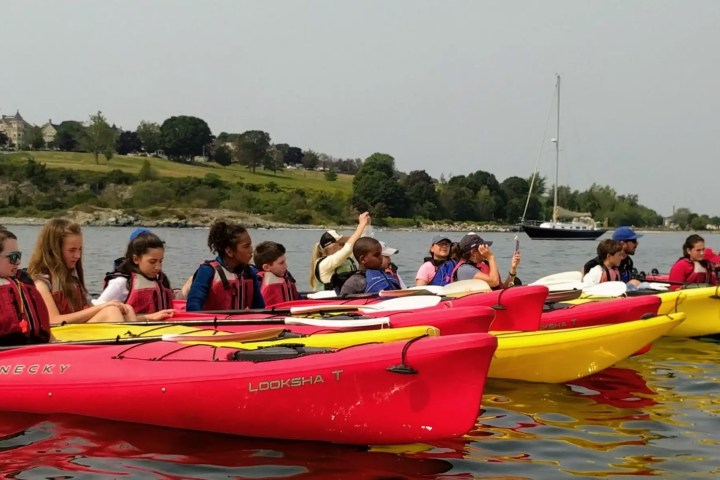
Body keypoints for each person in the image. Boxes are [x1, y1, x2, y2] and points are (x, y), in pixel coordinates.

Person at [28, 218, 136, 325]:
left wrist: (112, 305)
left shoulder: (72, 280)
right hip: (60, 335)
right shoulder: (41, 283)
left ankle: (135, 339)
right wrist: (104, 306)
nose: (78, 256)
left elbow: (84, 309)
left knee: (127, 309)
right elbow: (53, 320)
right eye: (72, 250)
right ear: (53, 250)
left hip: (77, 330)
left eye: (79, 249)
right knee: (111, 312)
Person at [94, 231, 175, 321]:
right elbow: (99, 312)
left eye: (160, 261)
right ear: (136, 259)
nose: (158, 267)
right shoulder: (121, 283)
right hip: (133, 331)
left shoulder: (161, 280)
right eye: (152, 262)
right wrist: (148, 317)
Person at [186, 220, 265, 311]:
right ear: (229, 251)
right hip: (212, 323)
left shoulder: (249, 272)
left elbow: (259, 307)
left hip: (239, 323)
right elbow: (193, 305)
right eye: (246, 246)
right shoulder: (207, 271)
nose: (251, 250)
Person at [0, 228, 51, 345]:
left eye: (19, 256)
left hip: (31, 349)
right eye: (13, 257)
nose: (18, 262)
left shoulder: (23, 281)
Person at [309, 212, 370, 293]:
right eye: (341, 244)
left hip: (345, 299)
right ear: (331, 248)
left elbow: (362, 243)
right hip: (328, 302)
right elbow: (347, 248)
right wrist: (361, 225)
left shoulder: (345, 259)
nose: (344, 245)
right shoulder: (324, 264)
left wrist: (366, 225)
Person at [451, 233, 521, 289]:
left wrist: (513, 268)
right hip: (478, 304)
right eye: (483, 247)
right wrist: (491, 257)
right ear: (474, 252)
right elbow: (494, 282)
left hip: (493, 301)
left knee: (516, 281)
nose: (487, 249)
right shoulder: (465, 270)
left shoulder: (482, 264)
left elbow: (502, 288)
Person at [253, 240, 300, 306]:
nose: (285, 266)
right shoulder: (258, 282)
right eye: (281, 263)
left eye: (285, 261)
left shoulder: (287, 275)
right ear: (266, 267)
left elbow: (297, 297)